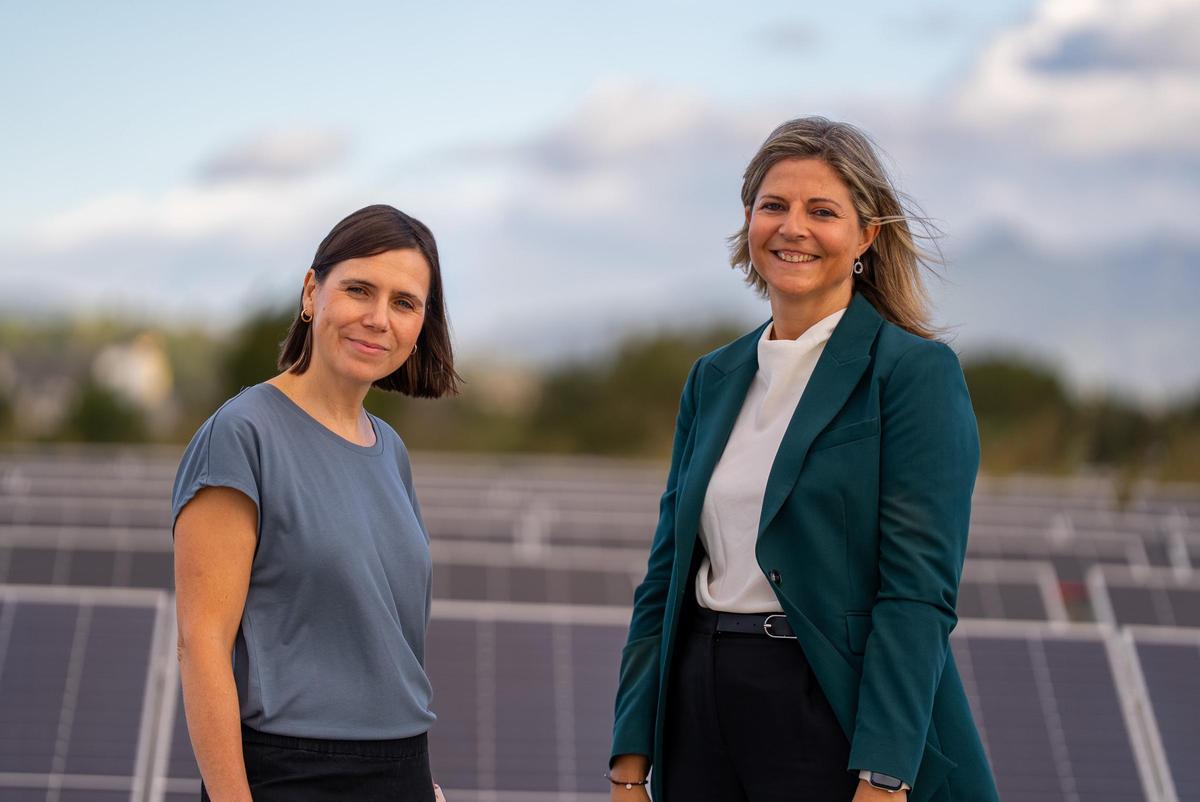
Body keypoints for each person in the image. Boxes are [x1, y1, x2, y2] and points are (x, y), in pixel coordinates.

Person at [608, 118, 999, 802]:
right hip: (699, 711)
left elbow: (916, 594)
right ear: (749, 221)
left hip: (830, 712)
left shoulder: (912, 374)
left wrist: (884, 774)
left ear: (866, 236)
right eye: (774, 206)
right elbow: (664, 577)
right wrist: (629, 760)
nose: (793, 228)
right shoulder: (713, 377)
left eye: (822, 211)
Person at [172, 204, 460, 802]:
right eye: (359, 290)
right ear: (311, 292)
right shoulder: (241, 436)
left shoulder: (391, 450)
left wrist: (416, 780)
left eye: (405, 303)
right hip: (293, 775)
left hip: (402, 769)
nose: (378, 319)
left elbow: (383, 635)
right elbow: (202, 645)